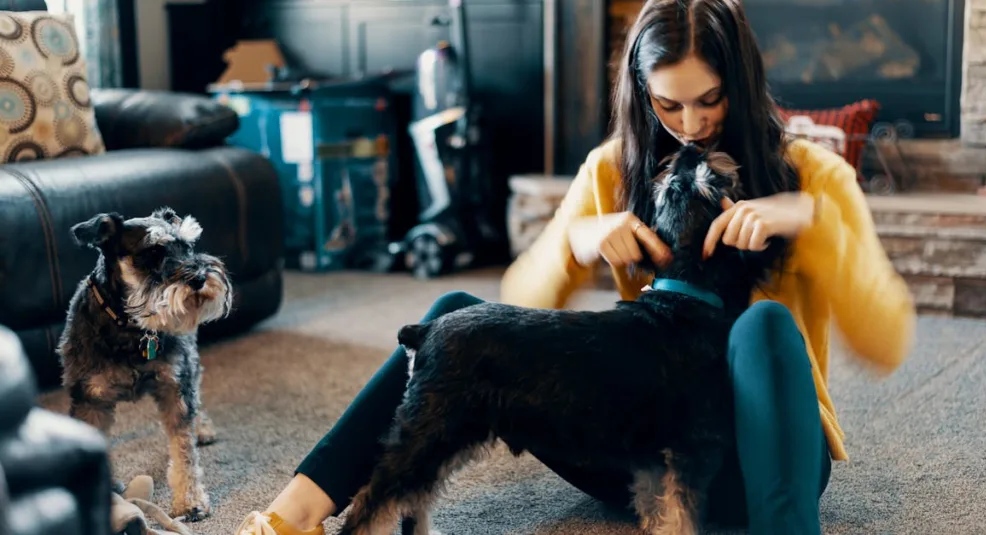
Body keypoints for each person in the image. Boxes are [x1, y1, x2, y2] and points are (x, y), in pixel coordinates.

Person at [234, 0, 917, 534]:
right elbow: (522, 293)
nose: (691, 123)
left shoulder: (813, 175)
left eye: (710, 100)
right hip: (637, 449)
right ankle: (292, 514)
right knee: (455, 322)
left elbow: (885, 339)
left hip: (752, 461)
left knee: (762, 322)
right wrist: (577, 239)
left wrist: (808, 221)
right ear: (640, 91)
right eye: (667, 102)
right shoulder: (613, 166)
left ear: (741, 82)